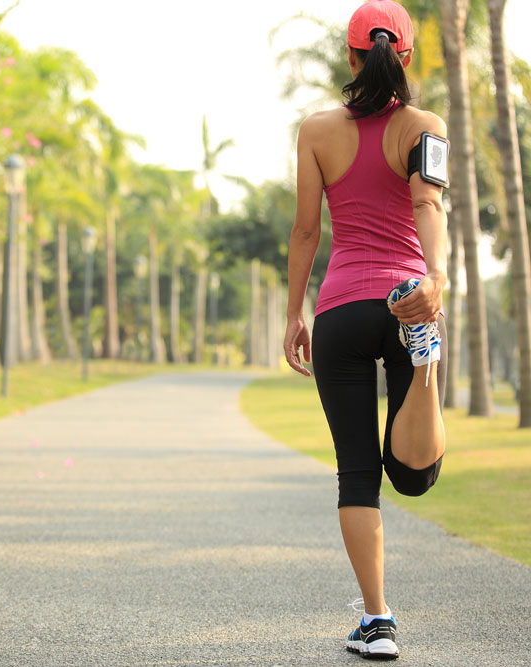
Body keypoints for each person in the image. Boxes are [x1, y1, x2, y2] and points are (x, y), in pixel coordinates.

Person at [283, 0, 448, 660]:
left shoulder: (316, 130)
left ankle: (378, 621)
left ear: (350, 57)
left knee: (358, 474)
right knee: (416, 476)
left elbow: (305, 231)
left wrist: (294, 312)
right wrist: (433, 280)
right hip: (406, 302)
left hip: (342, 309)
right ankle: (425, 360)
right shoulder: (425, 125)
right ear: (404, 55)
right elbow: (427, 203)